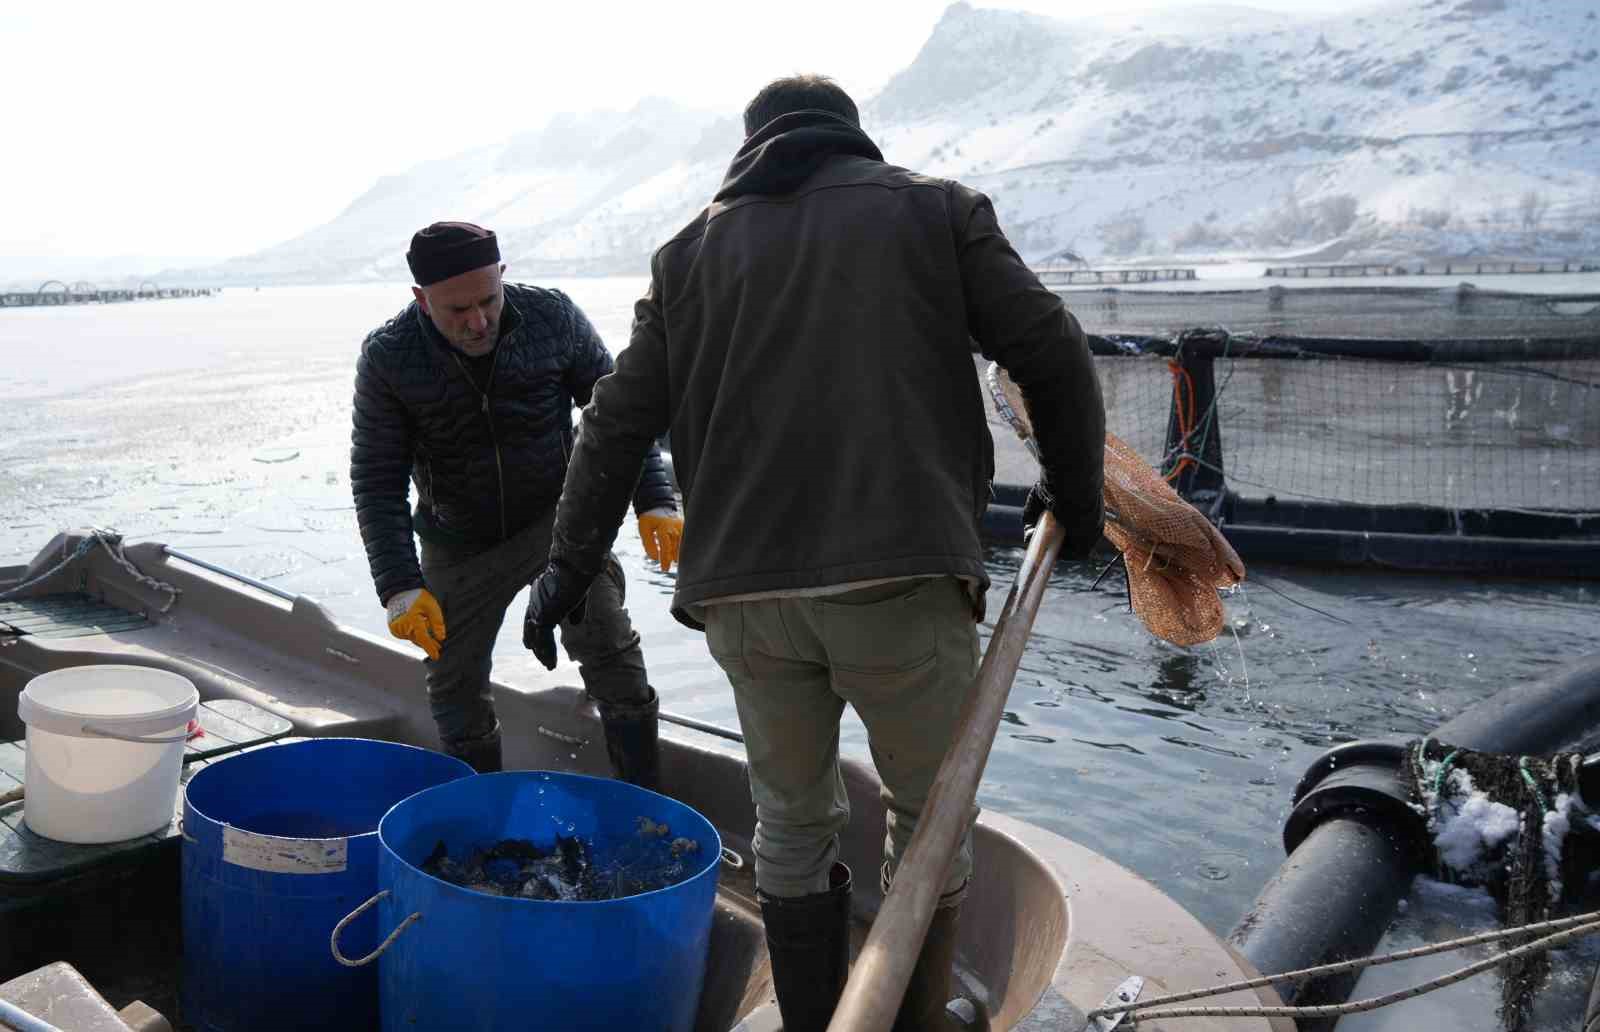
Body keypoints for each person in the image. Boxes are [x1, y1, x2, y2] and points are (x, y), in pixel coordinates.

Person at [525, 77, 1105, 1032]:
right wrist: (1074, 502)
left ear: (752, 148)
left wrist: (566, 568)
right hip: (901, 582)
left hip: (745, 601)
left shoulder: (685, 257)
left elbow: (614, 426)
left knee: (790, 827)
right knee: (929, 827)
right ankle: (912, 1020)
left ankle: (813, 1022)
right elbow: (1053, 350)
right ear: (851, 137)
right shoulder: (935, 212)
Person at [350, 221, 682, 780]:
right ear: (420, 299)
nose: (478, 321)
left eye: (488, 300)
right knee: (454, 680)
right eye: (457, 310)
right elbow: (377, 478)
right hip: (458, 542)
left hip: (558, 522)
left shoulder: (552, 319)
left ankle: (645, 795)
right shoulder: (389, 358)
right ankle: (480, 806)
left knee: (606, 641)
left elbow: (621, 414)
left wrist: (655, 497)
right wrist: (400, 587)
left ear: (503, 276)